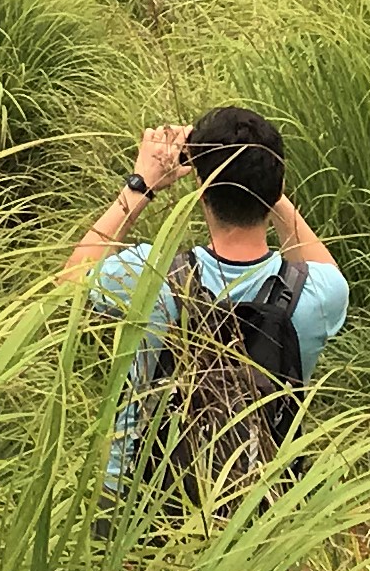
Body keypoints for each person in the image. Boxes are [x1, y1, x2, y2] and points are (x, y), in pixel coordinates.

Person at [60, 105, 349, 500]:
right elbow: (319, 262)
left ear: (200, 186)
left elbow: (70, 280)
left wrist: (141, 183)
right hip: (261, 510)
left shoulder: (151, 275)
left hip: (138, 505)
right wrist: (270, 189)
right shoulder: (318, 295)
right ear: (278, 181)